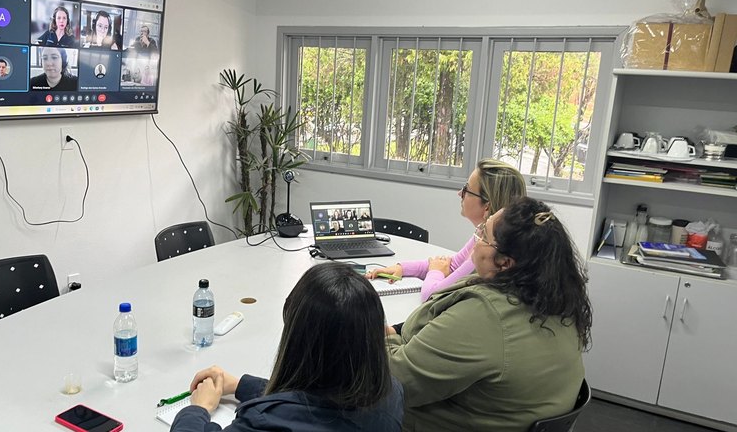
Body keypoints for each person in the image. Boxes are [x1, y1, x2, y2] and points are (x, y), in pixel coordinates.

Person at [386, 196, 592, 431]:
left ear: (504, 262)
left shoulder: (485, 315)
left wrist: (381, 333)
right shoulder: (558, 303)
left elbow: (394, 383)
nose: (477, 240)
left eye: (484, 234)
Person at [170, 262, 403, 432]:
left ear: (299, 339)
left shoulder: (266, 423)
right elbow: (312, 398)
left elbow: (297, 410)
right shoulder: (390, 392)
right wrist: (241, 385)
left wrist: (198, 408)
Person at [366, 158, 525, 302]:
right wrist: (403, 268)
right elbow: (452, 265)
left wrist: (435, 271)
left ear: (487, 206)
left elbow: (433, 296)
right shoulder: (483, 235)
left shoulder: (486, 255)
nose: (459, 193)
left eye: (466, 190)